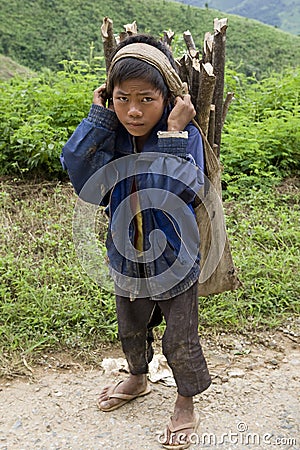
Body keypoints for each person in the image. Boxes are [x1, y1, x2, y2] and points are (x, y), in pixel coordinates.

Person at [61, 34, 211, 449]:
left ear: (169, 99)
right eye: (122, 98)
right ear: (109, 99)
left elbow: (173, 190)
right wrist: (97, 119)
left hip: (176, 258)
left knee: (180, 335)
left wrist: (175, 132)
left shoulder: (186, 138)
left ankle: (185, 401)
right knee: (130, 324)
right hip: (125, 255)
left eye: (146, 99)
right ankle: (138, 377)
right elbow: (85, 180)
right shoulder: (111, 136)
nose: (133, 110)